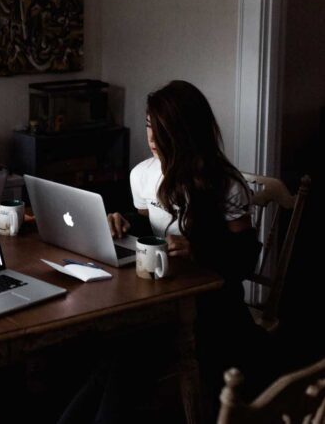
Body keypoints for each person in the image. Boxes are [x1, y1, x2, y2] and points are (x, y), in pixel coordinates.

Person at [59, 80, 271, 423]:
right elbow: (150, 225)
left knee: (122, 363)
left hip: (210, 305)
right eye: (148, 126)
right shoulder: (142, 175)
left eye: (162, 129)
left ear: (186, 131)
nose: (153, 138)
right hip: (159, 296)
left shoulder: (225, 184)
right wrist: (123, 221)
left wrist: (198, 249)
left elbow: (245, 258)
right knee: (112, 363)